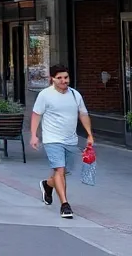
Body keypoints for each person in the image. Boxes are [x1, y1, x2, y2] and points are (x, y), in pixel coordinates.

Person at [30, 64, 93, 220]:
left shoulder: (75, 95)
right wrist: (33, 135)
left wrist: (90, 134)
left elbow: (83, 114)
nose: (64, 81)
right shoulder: (45, 95)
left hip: (71, 140)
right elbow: (36, 115)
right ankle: (65, 205)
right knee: (60, 169)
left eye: (66, 77)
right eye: (59, 78)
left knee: (64, 172)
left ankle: (47, 185)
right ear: (52, 79)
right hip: (52, 139)